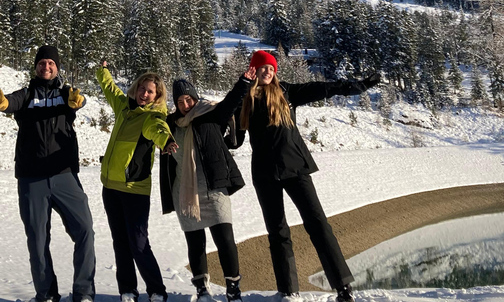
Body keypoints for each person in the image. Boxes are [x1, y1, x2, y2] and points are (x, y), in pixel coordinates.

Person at [239, 50, 380, 302]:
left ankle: (343, 287)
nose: (268, 71)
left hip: (295, 168)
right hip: (264, 172)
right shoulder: (244, 99)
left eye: (271, 67)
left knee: (318, 224)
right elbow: (232, 136)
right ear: (253, 70)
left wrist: (359, 86)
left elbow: (326, 88)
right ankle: (288, 291)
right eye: (262, 67)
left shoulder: (288, 92)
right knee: (277, 232)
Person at [0, 45, 95, 302]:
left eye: (51, 63)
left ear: (57, 67)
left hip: (64, 175)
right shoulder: (26, 95)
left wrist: (78, 102)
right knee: (37, 240)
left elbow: (77, 101)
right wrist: (5, 104)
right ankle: (46, 293)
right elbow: (11, 102)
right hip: (31, 177)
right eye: (41, 63)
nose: (46, 67)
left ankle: (83, 292)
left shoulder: (65, 93)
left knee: (85, 231)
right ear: (35, 66)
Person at [160, 73, 251, 302]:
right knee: (195, 242)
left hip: (213, 187)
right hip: (184, 190)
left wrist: (243, 83)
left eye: (188, 99)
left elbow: (231, 103)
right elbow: (155, 130)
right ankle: (201, 289)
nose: (185, 105)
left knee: (225, 239)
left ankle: (233, 288)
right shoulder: (171, 124)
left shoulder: (211, 114)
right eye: (180, 102)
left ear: (195, 97)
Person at [96, 61, 178, 302]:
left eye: (150, 91)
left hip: (135, 190)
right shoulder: (124, 107)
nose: (144, 93)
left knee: (139, 243)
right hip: (110, 188)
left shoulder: (152, 116)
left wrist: (166, 141)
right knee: (120, 243)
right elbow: (110, 89)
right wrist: (103, 71)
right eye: (142, 88)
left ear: (157, 96)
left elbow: (158, 129)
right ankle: (128, 290)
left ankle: (156, 290)